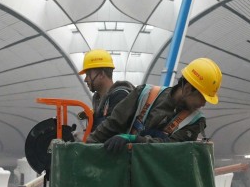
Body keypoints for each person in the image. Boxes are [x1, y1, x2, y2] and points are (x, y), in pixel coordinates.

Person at [88, 57, 221, 150]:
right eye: (202, 97)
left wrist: (133, 139)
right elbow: (113, 123)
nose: (204, 103)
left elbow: (169, 147)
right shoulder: (144, 93)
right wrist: (85, 147)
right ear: (187, 89)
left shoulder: (195, 122)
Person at [78, 49, 135, 131]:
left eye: (88, 74)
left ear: (101, 74)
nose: (85, 79)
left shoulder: (121, 96)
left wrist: (88, 138)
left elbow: (111, 130)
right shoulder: (99, 101)